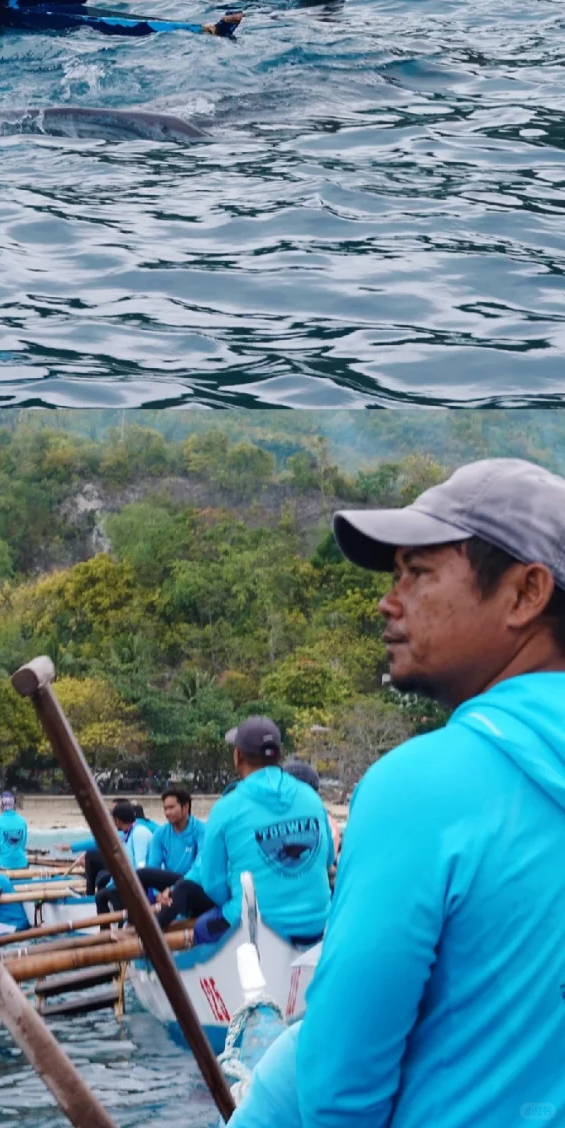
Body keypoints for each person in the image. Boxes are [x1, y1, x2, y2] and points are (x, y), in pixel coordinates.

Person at [293, 457, 565, 1128]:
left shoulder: (422, 788)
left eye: (418, 573)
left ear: (527, 593)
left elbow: (336, 1096)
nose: (389, 601)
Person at [172, 718, 333, 945]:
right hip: (317, 923)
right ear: (279, 754)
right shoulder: (310, 797)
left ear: (238, 756)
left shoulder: (226, 807)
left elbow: (213, 884)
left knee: (202, 928)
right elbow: (326, 861)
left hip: (257, 928)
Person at [137, 785, 207, 913]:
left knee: (183, 888)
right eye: (165, 808)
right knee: (140, 875)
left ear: (185, 807)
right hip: (169, 886)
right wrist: (158, 894)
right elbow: (153, 866)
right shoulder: (160, 834)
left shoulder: (201, 830)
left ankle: (151, 928)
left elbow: (199, 868)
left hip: (193, 883)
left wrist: (174, 889)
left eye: (171, 807)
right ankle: (135, 921)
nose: (167, 812)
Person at [0, 789, 29, 870]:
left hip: (4, 864)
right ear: (13, 804)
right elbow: (23, 844)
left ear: (1, 804)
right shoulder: (22, 821)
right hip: (22, 864)